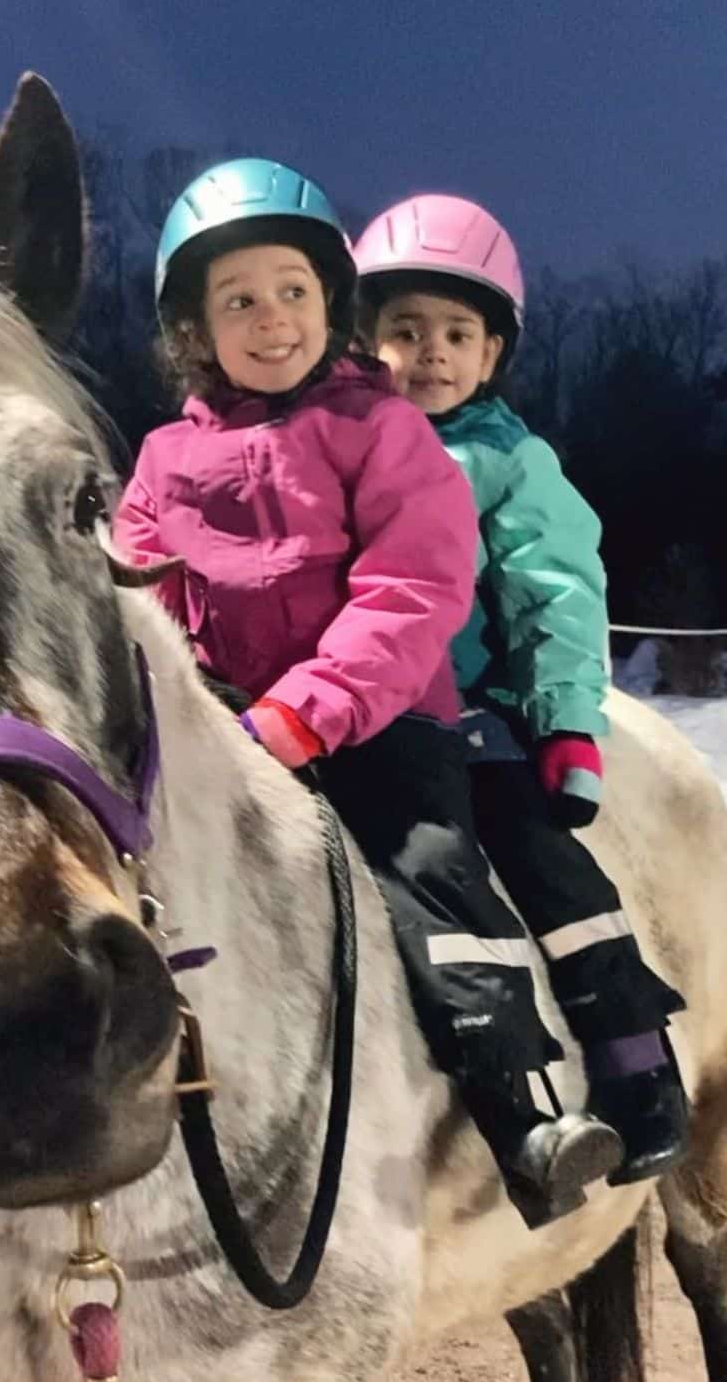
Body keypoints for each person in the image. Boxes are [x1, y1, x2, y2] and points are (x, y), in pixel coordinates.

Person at [115, 160, 628, 1229]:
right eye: (239, 300)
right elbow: (142, 597)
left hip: (379, 719)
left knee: (433, 871)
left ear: (331, 309)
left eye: (295, 291)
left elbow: (414, 585)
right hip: (233, 727)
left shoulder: (381, 429)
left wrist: (309, 710)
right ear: (196, 331)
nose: (271, 318)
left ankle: (519, 1107)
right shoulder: (164, 459)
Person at [353, 193, 689, 1187]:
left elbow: (556, 596)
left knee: (540, 865)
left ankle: (634, 1063)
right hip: (357, 718)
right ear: (363, 344)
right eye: (404, 331)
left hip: (472, 720)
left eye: (459, 333)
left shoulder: (508, 461)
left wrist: (564, 728)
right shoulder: (341, 449)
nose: (432, 354)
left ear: (494, 355)